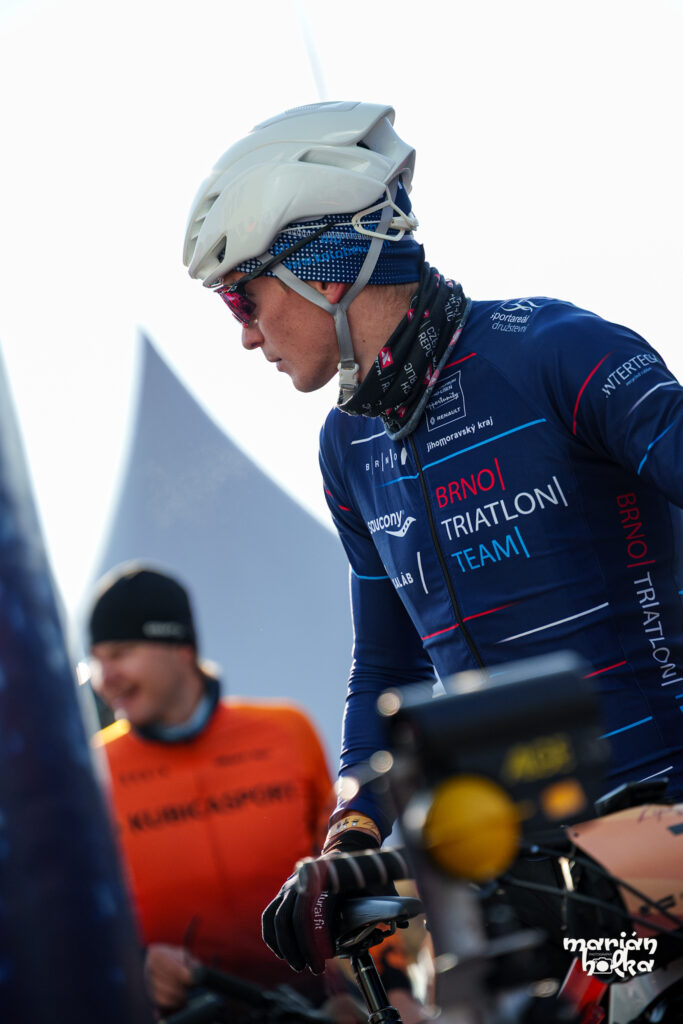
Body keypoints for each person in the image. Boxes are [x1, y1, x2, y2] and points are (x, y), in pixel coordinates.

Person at [182, 101, 683, 974]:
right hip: (538, 880)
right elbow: (388, 668)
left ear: (321, 273)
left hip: (663, 821)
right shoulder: (349, 446)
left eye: (241, 298)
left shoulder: (555, 352)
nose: (246, 336)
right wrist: (349, 838)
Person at [88, 562, 428, 1018]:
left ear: (180, 647)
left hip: (313, 1008)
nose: (103, 677)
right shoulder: (94, 770)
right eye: (96, 660)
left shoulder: (285, 731)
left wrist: (398, 991)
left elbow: (349, 873)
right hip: (187, 1012)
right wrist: (134, 961)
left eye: (120, 653)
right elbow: (81, 914)